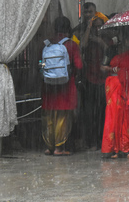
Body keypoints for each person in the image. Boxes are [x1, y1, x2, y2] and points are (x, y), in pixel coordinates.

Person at [41, 17, 83, 156]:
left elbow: (41, 64)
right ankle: (59, 148)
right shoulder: (71, 45)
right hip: (66, 87)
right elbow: (79, 65)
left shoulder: (48, 43)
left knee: (50, 117)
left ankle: (49, 147)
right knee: (63, 117)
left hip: (49, 87)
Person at [101, 27, 129, 159]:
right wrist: (113, 69)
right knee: (113, 115)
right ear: (125, 38)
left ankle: (126, 148)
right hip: (114, 84)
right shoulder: (112, 49)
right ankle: (112, 148)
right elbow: (102, 67)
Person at [79, 16, 112, 150]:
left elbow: (109, 51)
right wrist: (88, 28)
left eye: (100, 26)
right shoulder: (89, 39)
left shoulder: (107, 40)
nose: (97, 29)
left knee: (102, 113)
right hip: (90, 78)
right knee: (89, 113)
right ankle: (91, 141)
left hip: (104, 79)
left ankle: (100, 140)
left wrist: (100, 41)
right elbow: (82, 45)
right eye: (95, 27)